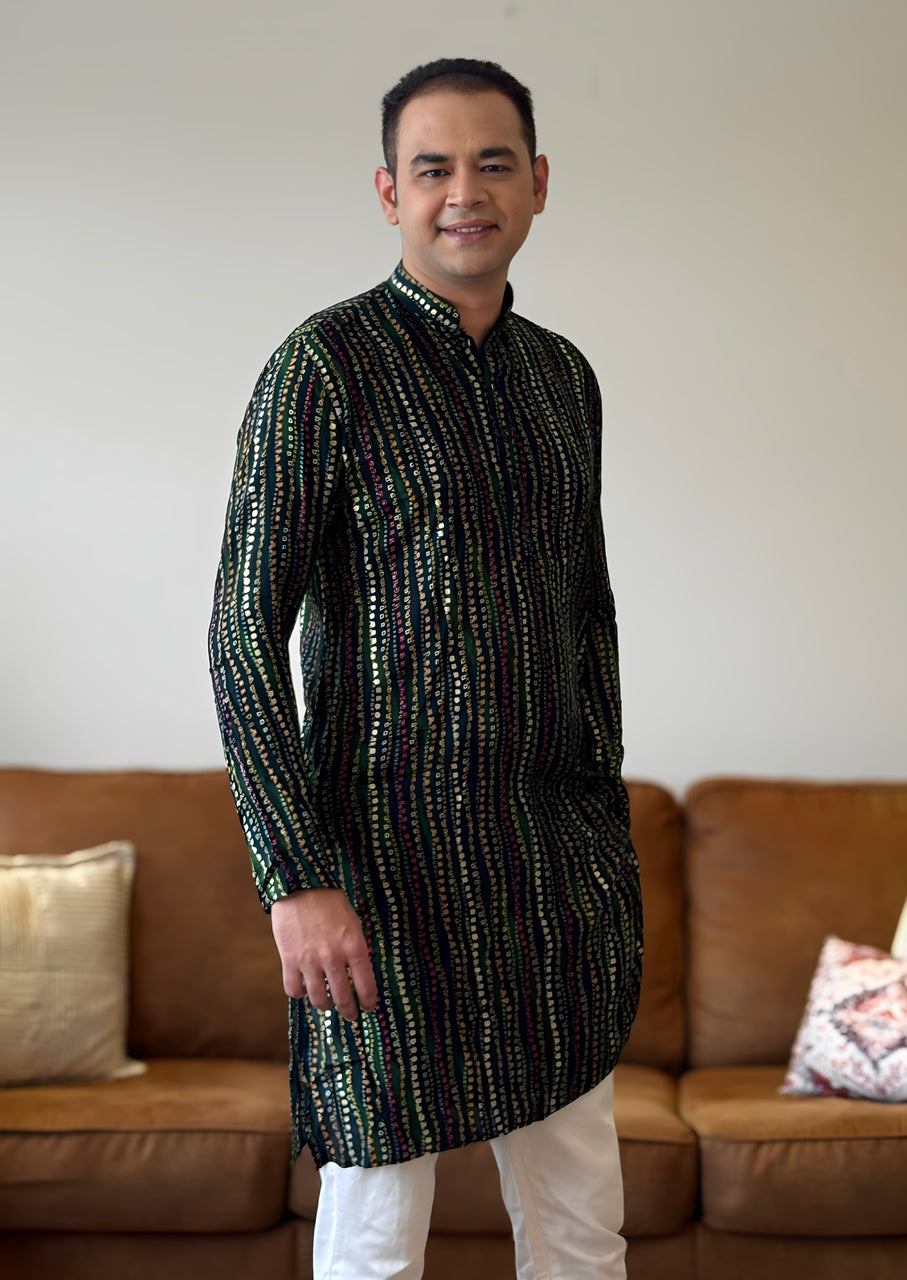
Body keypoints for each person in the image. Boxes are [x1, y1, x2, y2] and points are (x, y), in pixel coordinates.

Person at [208, 56, 643, 1280]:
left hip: (553, 879)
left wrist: (602, 832)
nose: (467, 191)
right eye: (436, 167)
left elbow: (587, 615)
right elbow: (242, 631)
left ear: (539, 184)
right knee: (375, 1234)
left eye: (493, 163)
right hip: (379, 877)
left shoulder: (564, 379)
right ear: (389, 190)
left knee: (578, 1223)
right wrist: (292, 876)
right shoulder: (324, 366)